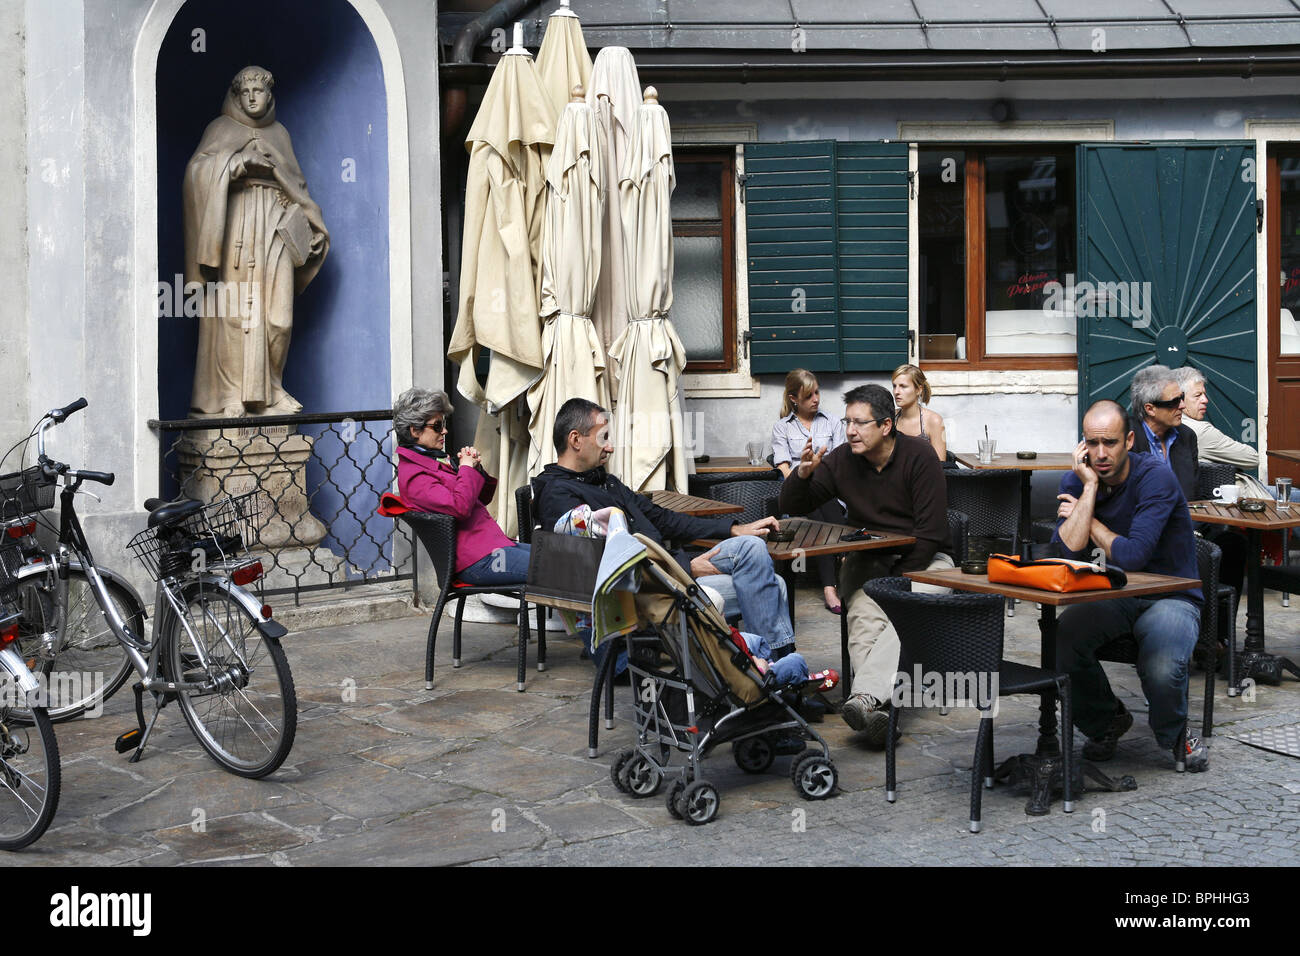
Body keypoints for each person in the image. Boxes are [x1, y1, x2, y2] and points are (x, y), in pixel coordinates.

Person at [533, 398, 797, 657]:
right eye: (603, 438)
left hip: (670, 571)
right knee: (777, 585)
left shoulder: (605, 482)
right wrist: (685, 567)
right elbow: (607, 563)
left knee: (751, 545)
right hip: (650, 593)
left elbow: (663, 518)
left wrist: (732, 529)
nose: (611, 447)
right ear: (576, 440)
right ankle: (772, 670)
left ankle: (768, 667)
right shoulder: (559, 497)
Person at [779, 384, 954, 745]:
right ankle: (877, 711)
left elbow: (931, 532)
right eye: (847, 422)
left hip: (925, 561)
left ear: (886, 425)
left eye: (860, 423)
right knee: (862, 620)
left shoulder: (920, 458)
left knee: (910, 613)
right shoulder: (844, 459)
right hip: (870, 559)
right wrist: (803, 474)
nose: (850, 431)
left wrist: (897, 582)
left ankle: (865, 699)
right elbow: (796, 506)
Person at [1051, 399, 1208, 772]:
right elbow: (1064, 551)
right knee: (1061, 640)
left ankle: (1174, 734)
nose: (1100, 454)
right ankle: (1106, 723)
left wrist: (1087, 521)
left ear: (1130, 440)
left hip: (1170, 592)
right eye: (1092, 443)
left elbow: (1134, 554)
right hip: (1114, 593)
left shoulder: (1156, 477)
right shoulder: (1078, 480)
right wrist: (1089, 491)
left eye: (1111, 443)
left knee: (1161, 666)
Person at [184, 65, 329, 418]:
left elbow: (296, 186)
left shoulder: (280, 134)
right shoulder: (220, 129)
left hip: (275, 229)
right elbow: (195, 175)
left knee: (278, 316)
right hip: (234, 227)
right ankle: (231, 394)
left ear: (270, 94)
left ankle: (272, 390)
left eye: (258, 91)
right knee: (235, 313)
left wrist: (309, 228)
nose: (252, 98)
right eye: (245, 92)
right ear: (236, 95)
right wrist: (235, 163)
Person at [393, 388, 529, 585]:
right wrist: (465, 468)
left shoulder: (432, 461)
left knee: (563, 560)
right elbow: (460, 507)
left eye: (444, 424)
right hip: (477, 561)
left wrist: (475, 468)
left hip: (492, 547)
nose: (444, 431)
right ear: (415, 431)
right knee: (557, 569)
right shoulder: (415, 477)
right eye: (437, 426)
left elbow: (482, 498)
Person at [771, 369, 847, 613]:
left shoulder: (833, 422)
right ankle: (840, 567)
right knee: (814, 503)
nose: (816, 399)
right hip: (799, 493)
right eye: (808, 396)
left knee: (822, 505)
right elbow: (784, 467)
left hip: (831, 491)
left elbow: (842, 460)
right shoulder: (782, 427)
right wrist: (802, 477)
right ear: (794, 398)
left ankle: (830, 584)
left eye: (817, 392)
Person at [1129, 365, 1199, 500]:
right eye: (1175, 401)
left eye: (1182, 397)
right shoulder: (1125, 436)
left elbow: (1195, 495)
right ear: (1150, 409)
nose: (1182, 405)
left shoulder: (1187, 436)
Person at [1172, 366, 1259, 468]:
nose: (1205, 400)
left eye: (1204, 394)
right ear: (1179, 399)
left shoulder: (1162, 426)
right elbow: (1252, 458)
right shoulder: (1200, 432)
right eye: (1197, 395)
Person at [892, 364, 946, 461]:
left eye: (903, 386)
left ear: (918, 390)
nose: (896, 391)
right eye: (894, 386)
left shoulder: (933, 421)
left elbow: (940, 464)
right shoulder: (891, 417)